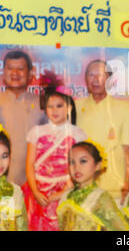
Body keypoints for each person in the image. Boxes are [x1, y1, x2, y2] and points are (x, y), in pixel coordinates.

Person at [23, 90, 87, 231]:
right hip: (38, 192)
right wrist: (35, 192)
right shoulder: (36, 131)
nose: (54, 110)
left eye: (59, 106)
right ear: (45, 109)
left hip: (66, 191)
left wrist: (62, 192)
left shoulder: (78, 134)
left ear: (68, 107)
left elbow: (79, 167)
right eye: (50, 106)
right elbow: (30, 165)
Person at [75, 60, 129, 203]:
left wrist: (128, 182)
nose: (96, 80)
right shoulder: (75, 107)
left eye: (101, 75)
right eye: (91, 75)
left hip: (115, 189)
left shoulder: (126, 109)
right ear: (85, 79)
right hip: (82, 187)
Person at [0, 50, 46, 186]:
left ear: (30, 74)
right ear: (3, 73)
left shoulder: (43, 103)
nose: (15, 73)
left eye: (20, 69)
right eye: (10, 68)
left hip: (34, 183)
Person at [57, 141, 129, 231]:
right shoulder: (66, 195)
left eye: (83, 161)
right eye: (72, 162)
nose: (76, 167)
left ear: (97, 165)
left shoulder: (100, 197)